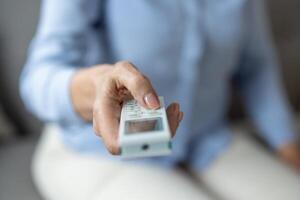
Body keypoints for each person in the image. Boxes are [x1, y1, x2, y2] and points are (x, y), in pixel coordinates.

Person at [20, 0, 300, 199]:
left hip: (205, 141)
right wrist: (98, 86)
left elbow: (256, 66)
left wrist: (286, 142)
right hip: (96, 152)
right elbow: (38, 78)